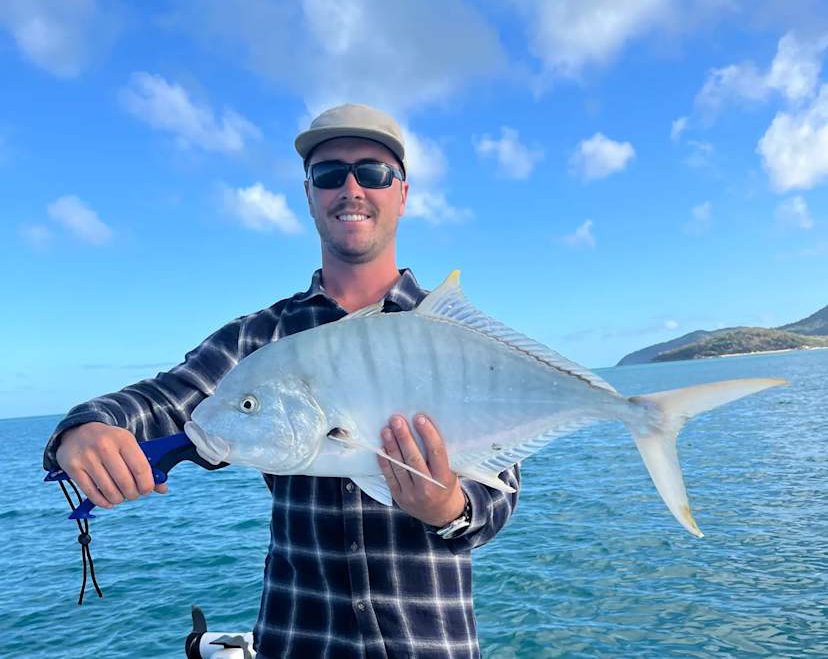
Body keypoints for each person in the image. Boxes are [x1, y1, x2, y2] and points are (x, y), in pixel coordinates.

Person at [43, 103, 521, 658]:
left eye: (371, 172)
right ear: (309, 195)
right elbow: (172, 403)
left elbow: (500, 492)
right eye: (328, 174)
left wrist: (449, 508)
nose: (351, 188)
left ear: (403, 193)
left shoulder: (452, 336)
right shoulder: (262, 341)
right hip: (300, 641)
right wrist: (85, 429)